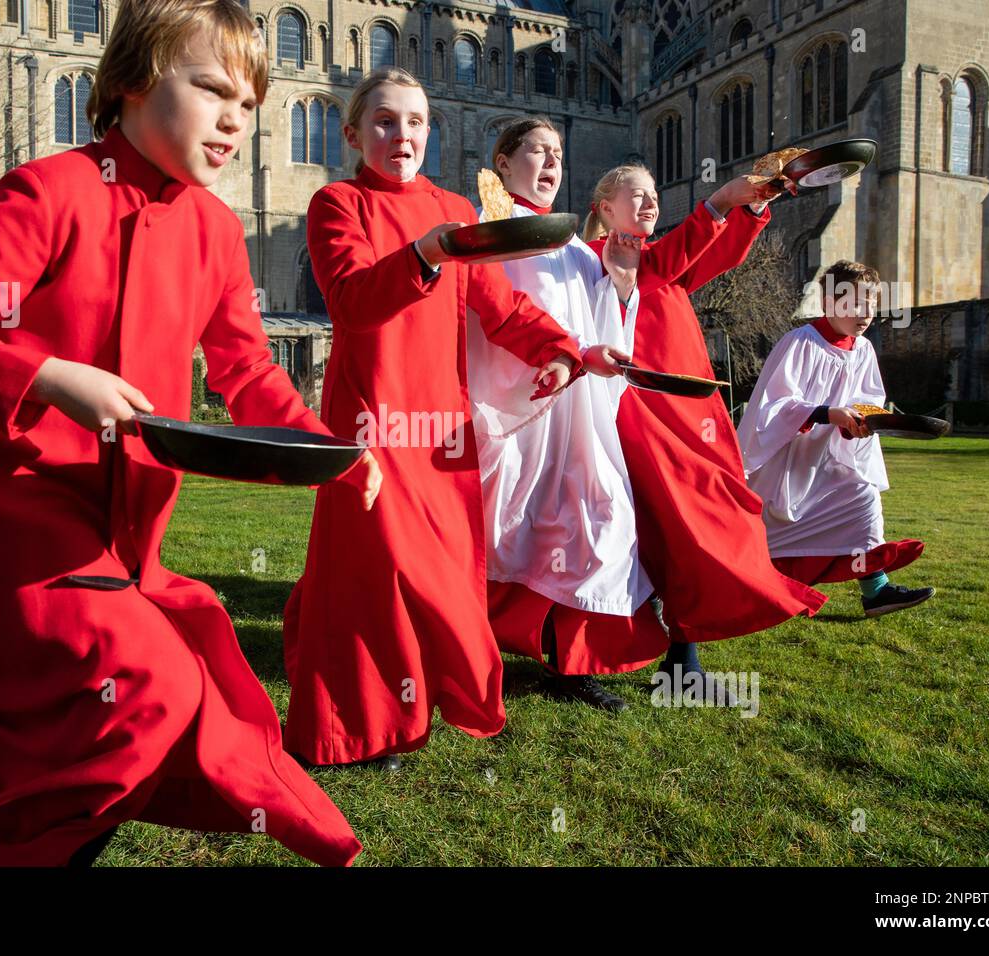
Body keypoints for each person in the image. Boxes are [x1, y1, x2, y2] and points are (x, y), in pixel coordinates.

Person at [0, 0, 378, 868]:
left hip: (127, 533)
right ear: (134, 81)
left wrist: (327, 452)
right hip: (11, 523)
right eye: (213, 90)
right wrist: (41, 376)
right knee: (154, 691)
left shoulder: (220, 234)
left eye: (250, 103)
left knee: (136, 713)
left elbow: (247, 373)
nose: (236, 119)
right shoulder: (49, 191)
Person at [284, 69, 621, 768]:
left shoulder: (455, 209)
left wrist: (564, 350)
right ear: (352, 135)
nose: (399, 134)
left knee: (437, 573)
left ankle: (415, 694)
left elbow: (498, 307)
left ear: (430, 133)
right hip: (371, 422)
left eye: (414, 121)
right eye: (382, 121)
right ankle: (363, 727)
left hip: (441, 430)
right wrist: (424, 254)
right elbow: (352, 302)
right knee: (371, 574)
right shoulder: (335, 203)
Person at [583, 165, 827, 699]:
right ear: (604, 207)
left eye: (653, 194)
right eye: (636, 196)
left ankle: (682, 660)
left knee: (706, 522)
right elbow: (676, 254)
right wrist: (719, 201)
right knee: (671, 528)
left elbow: (714, 255)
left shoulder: (662, 264)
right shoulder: (604, 264)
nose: (650, 203)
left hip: (693, 416)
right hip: (638, 416)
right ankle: (645, 655)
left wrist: (754, 207)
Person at [468, 118, 668, 712]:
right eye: (538, 151)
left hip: (581, 416)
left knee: (598, 523)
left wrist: (623, 287)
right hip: (515, 412)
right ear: (503, 163)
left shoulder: (578, 248)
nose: (553, 162)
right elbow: (485, 319)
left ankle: (574, 664)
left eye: (559, 153)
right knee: (504, 532)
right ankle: (474, 645)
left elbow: (606, 327)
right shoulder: (489, 232)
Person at [738, 259, 933, 617]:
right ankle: (754, 589)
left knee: (862, 500)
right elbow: (774, 406)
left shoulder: (863, 350)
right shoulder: (800, 343)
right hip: (790, 461)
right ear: (829, 304)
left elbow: (869, 399)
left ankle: (877, 591)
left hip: (835, 456)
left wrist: (862, 421)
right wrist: (828, 413)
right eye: (856, 304)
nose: (866, 314)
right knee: (770, 536)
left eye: (872, 305)